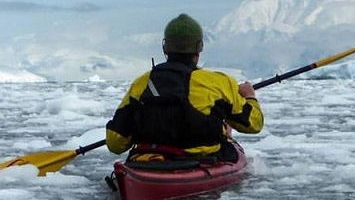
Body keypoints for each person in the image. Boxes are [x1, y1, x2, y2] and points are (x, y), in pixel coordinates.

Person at [106, 13, 264, 162]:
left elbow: (115, 143)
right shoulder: (219, 83)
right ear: (199, 47)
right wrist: (249, 96)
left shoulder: (141, 83)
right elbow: (253, 124)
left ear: (165, 47)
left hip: (149, 161)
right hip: (200, 161)